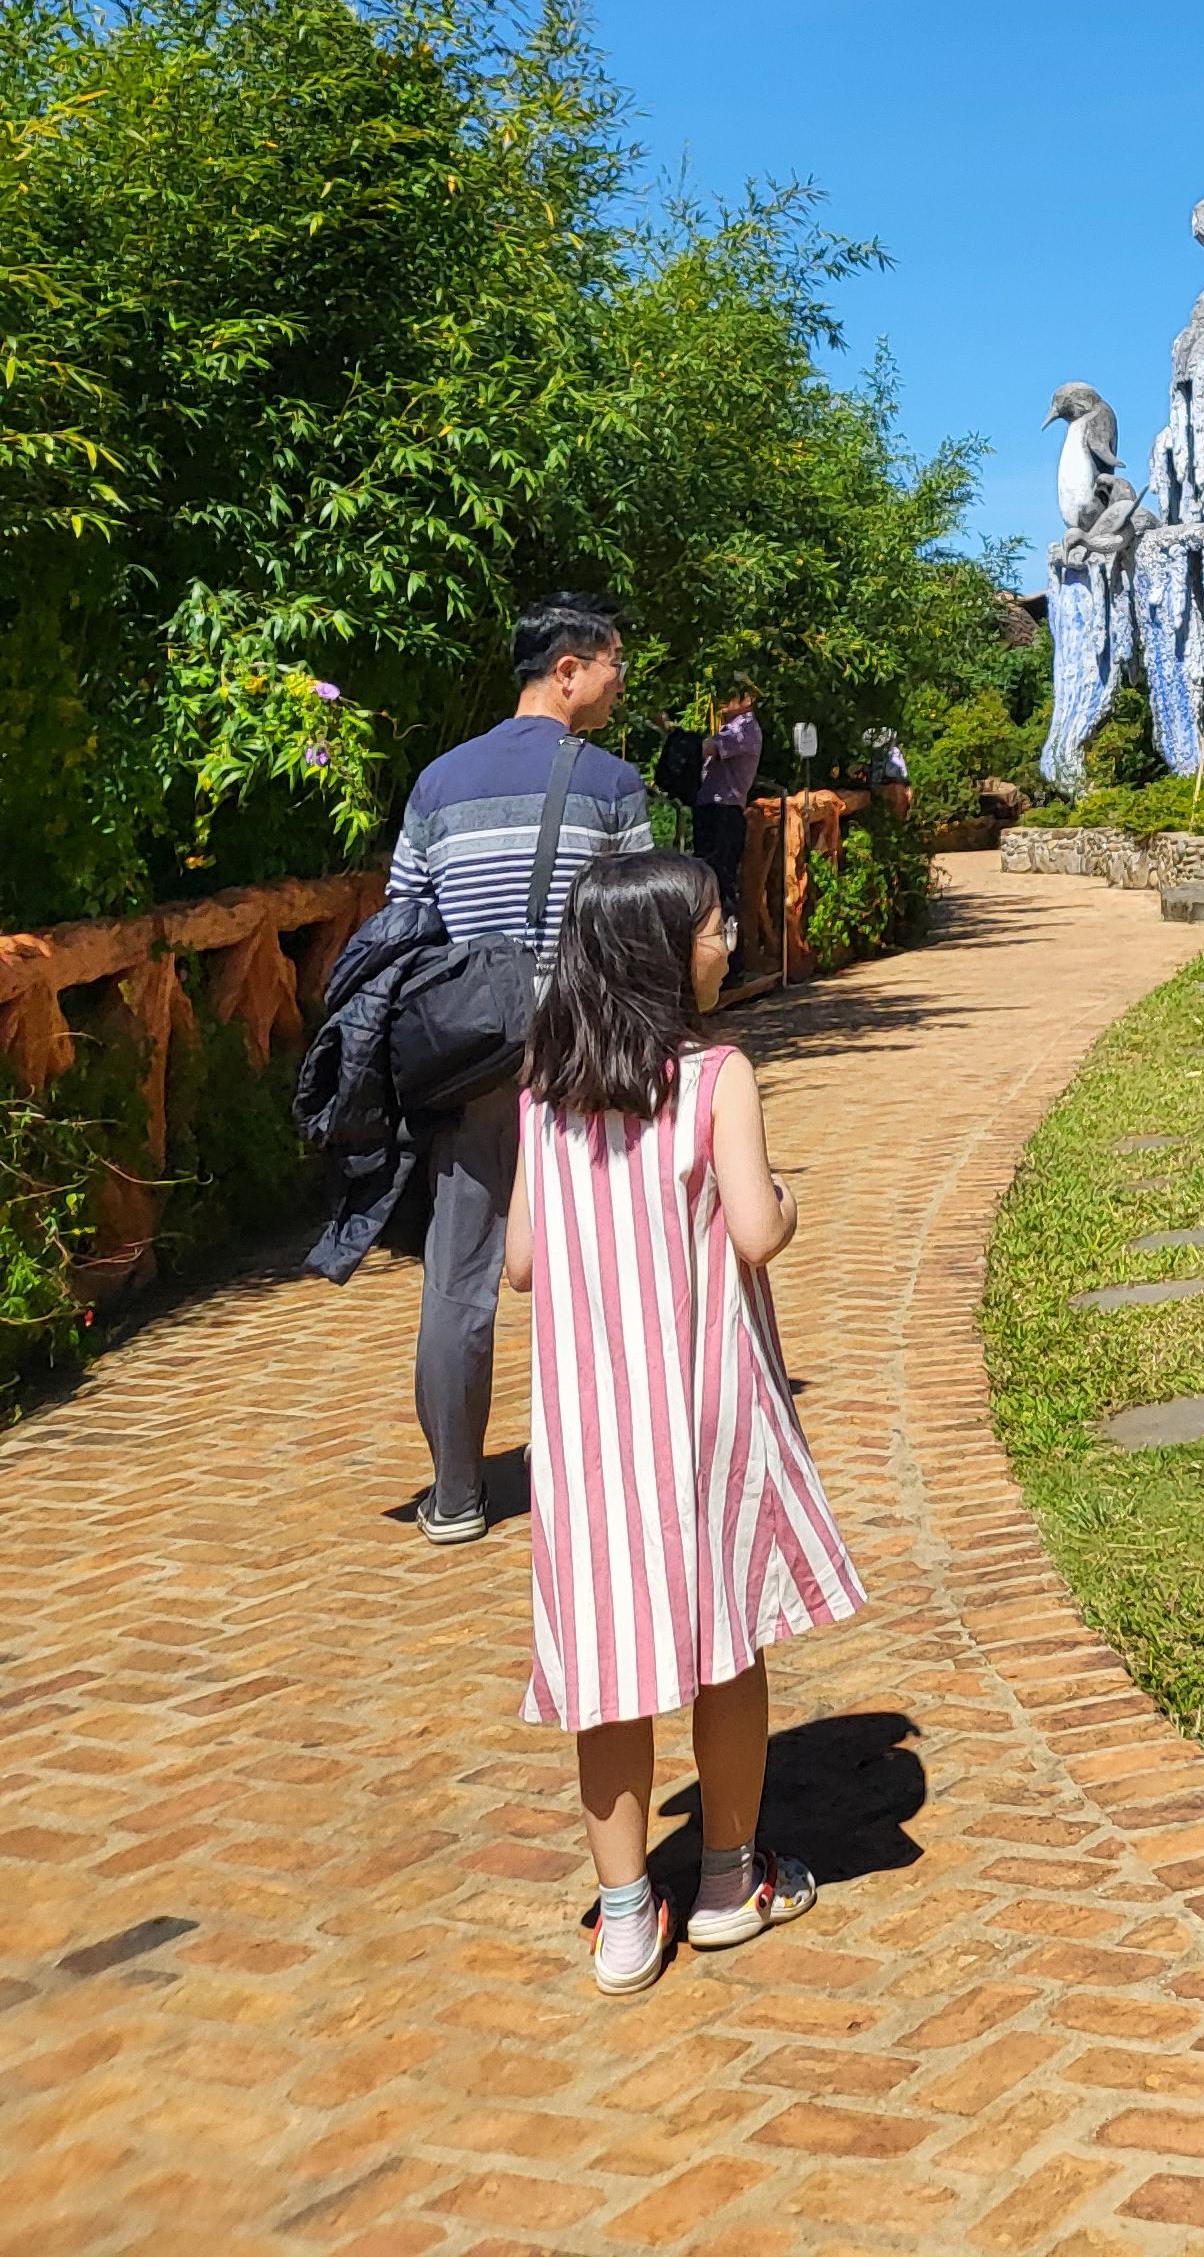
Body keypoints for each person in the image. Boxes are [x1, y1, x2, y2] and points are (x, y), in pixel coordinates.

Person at [503, 846, 865, 1994]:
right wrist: (793, 1197)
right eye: (712, 926)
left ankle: (622, 1916)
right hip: (703, 1409)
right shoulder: (715, 1078)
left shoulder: (541, 1091)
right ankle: (722, 1881)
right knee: (723, 1642)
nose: (728, 941)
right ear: (664, 954)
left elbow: (517, 1261)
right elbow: (756, 1232)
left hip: (590, 1428)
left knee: (604, 1663)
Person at [383, 593, 655, 1545]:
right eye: (616, 660)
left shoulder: (437, 784)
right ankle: (597, 1478)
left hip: (469, 1057)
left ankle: (455, 1495)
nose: (623, 677)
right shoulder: (613, 786)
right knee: (596, 1263)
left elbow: (403, 927)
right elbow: (639, 934)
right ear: (569, 670)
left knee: (459, 1277)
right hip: (583, 1051)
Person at [692, 689, 762, 924]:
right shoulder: (730, 727)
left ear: (748, 698)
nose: (722, 698)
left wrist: (681, 742)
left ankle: (727, 948)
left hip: (724, 814)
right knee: (707, 881)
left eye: (731, 694)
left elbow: (706, 749)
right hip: (713, 812)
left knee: (720, 883)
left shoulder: (744, 729)